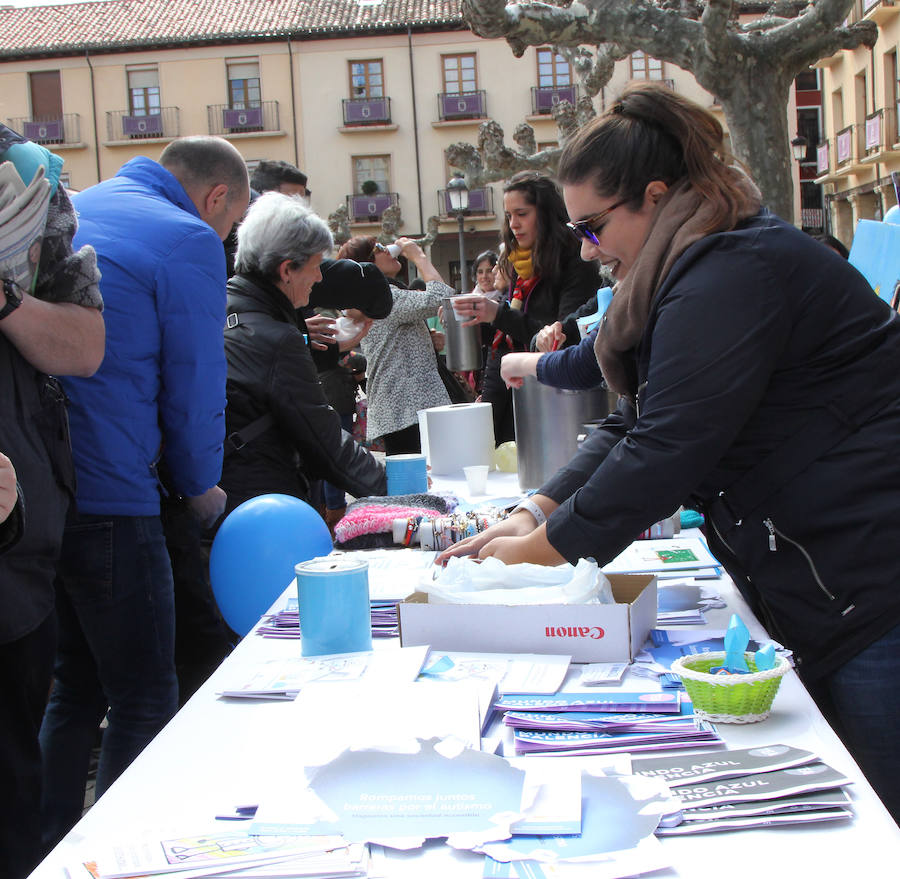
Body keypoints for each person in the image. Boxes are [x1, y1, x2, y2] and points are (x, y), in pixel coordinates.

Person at [439, 82, 900, 823]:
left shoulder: (728, 271)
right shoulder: (691, 262)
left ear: (654, 197)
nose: (588, 248)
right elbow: (642, 420)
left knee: (881, 823)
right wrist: (534, 511)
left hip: (871, 581)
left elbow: (667, 447)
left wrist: (532, 556)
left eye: (593, 226)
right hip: (834, 575)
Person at [39, 136, 249, 847]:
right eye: (230, 228)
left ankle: (49, 845)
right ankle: (115, 852)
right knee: (144, 692)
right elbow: (195, 386)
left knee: (74, 687)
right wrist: (199, 487)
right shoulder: (188, 239)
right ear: (216, 198)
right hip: (117, 492)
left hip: (45, 490)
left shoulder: (78, 204)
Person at [0, 124, 104, 878]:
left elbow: (85, 346)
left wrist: (4, 296)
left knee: (11, 797)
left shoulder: (26, 176)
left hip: (13, 557)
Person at [220, 192, 386, 517]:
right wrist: (402, 489)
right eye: (315, 266)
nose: (320, 277)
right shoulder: (277, 338)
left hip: (224, 502)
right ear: (286, 270)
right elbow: (325, 442)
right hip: (262, 507)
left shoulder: (221, 306)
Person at [451, 171, 598, 443]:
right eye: (509, 216)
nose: (514, 224)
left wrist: (497, 314)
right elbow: (515, 332)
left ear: (544, 213)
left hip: (555, 401)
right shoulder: (521, 261)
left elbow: (560, 338)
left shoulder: (576, 260)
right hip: (511, 390)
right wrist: (483, 318)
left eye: (522, 214)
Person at [338, 235, 455, 454]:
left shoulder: (377, 296)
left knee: (414, 479)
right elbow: (442, 296)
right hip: (406, 408)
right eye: (379, 249)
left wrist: (425, 341)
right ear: (367, 265)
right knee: (416, 481)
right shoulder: (383, 296)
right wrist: (418, 256)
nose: (387, 250)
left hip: (401, 408)